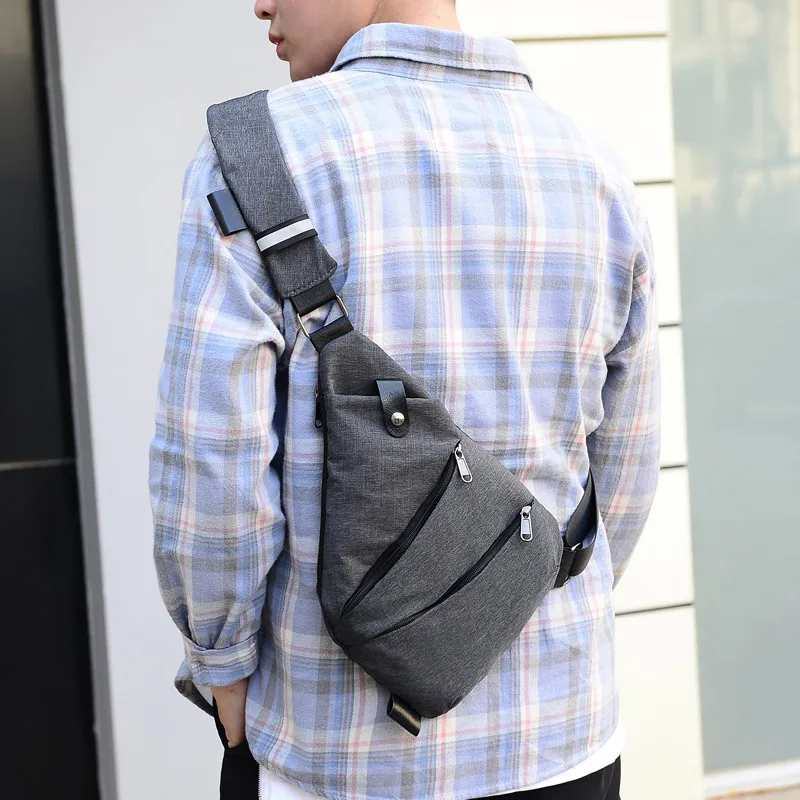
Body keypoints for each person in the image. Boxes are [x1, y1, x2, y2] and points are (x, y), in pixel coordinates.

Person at [149, 1, 661, 798]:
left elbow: (211, 470)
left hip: (339, 759)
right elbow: (623, 479)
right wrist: (495, 606)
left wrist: (223, 665)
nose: (260, 4)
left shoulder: (255, 158)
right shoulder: (596, 173)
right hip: (564, 738)